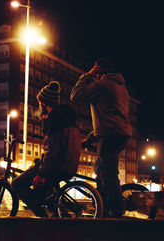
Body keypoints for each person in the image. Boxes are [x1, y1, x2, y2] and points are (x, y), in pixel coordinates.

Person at [70, 58, 132, 218]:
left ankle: (117, 209)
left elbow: (75, 95)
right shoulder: (121, 87)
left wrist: (87, 76)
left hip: (110, 135)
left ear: (98, 72)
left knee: (108, 173)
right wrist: (89, 139)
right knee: (100, 168)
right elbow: (110, 117)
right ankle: (102, 204)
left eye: (95, 74)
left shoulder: (103, 85)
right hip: (120, 133)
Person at [12, 81, 81, 217]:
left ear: (43, 103)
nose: (39, 106)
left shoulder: (53, 120)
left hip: (57, 166)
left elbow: (52, 150)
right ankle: (53, 207)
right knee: (41, 190)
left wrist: (42, 173)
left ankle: (42, 217)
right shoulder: (67, 119)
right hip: (70, 165)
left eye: (39, 103)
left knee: (17, 184)